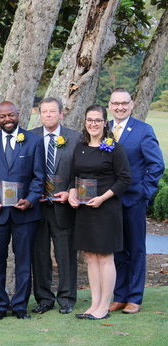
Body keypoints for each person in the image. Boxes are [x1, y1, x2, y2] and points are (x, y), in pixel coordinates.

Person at [0, 101, 45, 321]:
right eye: (2, 116)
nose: (7, 120)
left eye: (11, 115)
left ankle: (20, 306)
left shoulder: (34, 141)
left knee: (24, 260)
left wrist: (31, 199)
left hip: (25, 213)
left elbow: (39, 177)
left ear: (19, 115)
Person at [69, 104, 131, 320]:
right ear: (85, 122)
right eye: (89, 120)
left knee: (105, 257)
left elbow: (125, 179)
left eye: (97, 120)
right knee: (89, 256)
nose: (93, 124)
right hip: (85, 211)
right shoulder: (80, 147)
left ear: (105, 123)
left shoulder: (114, 148)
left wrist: (103, 198)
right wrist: (72, 193)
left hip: (106, 209)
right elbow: (72, 177)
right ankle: (93, 304)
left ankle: (104, 306)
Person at [107, 89, 165, 314]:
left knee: (136, 249)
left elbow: (156, 165)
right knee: (117, 250)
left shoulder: (143, 130)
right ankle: (119, 295)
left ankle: (134, 297)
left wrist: (144, 192)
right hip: (110, 202)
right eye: (115, 103)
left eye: (124, 103)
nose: (120, 107)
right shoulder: (105, 130)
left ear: (132, 105)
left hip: (134, 201)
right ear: (110, 106)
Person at [29, 97, 81, 315]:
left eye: (52, 111)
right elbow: (23, 169)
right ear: (40, 114)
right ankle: (44, 298)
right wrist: (31, 193)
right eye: (44, 111)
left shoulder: (75, 137)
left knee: (65, 253)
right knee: (39, 254)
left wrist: (70, 190)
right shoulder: (29, 137)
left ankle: (67, 298)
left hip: (64, 206)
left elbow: (81, 170)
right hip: (37, 206)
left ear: (61, 114)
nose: (48, 115)